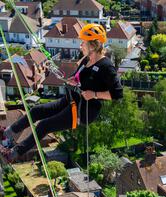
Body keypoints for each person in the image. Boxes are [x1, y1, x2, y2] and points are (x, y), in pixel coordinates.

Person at [0, 24, 123, 163]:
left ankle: (12, 154)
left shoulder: (106, 66)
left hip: (83, 110)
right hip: (70, 100)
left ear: (93, 46)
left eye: (83, 43)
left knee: (43, 126)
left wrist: (94, 94)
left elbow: (117, 93)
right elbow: (82, 78)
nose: (80, 45)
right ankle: (5, 134)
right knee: (36, 111)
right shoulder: (87, 59)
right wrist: (73, 80)